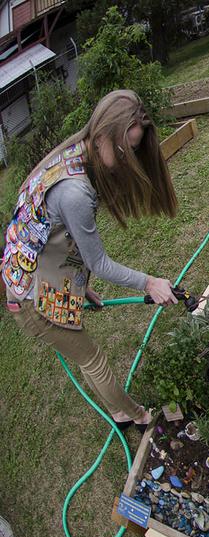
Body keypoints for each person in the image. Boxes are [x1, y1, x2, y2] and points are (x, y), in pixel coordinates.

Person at [2, 90, 180, 431]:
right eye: (125, 150)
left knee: (87, 357)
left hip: (37, 279)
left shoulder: (74, 154)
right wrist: (150, 283)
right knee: (93, 359)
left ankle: (118, 412)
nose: (130, 159)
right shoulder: (75, 192)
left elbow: (53, 240)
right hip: (29, 301)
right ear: (101, 136)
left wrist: (76, 288)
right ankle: (138, 416)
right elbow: (98, 262)